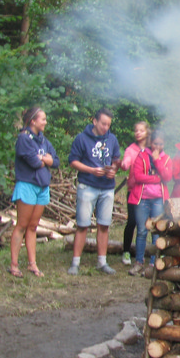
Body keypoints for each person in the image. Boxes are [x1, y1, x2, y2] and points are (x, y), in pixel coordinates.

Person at [67, 108, 121, 275]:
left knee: (104, 225)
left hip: (107, 187)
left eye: (108, 124)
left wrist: (113, 170)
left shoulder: (112, 139)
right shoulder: (81, 138)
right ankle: (75, 263)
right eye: (103, 123)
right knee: (82, 225)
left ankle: (102, 262)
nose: (106, 127)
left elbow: (116, 160)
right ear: (95, 121)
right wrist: (91, 170)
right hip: (88, 186)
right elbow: (73, 161)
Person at [9, 106, 59, 278]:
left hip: (42, 187)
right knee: (22, 225)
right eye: (43, 119)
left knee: (33, 226)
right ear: (33, 121)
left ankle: (32, 264)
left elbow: (56, 161)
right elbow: (33, 162)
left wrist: (44, 159)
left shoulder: (43, 140)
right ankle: (14, 265)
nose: (45, 122)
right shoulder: (24, 138)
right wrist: (46, 160)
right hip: (27, 185)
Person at [128, 132, 172, 277]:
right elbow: (138, 176)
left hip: (158, 199)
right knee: (141, 230)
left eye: (160, 144)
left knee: (156, 231)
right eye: (155, 143)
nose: (157, 147)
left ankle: (153, 263)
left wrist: (157, 160)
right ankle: (139, 262)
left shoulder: (166, 158)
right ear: (150, 143)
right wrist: (156, 179)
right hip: (142, 199)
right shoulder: (142, 156)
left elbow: (167, 177)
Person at [119, 121, 150, 266]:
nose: (138, 133)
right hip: (134, 190)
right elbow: (126, 162)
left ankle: (142, 254)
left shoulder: (151, 148)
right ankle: (126, 251)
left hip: (149, 192)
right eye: (136, 130)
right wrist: (123, 164)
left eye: (141, 130)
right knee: (132, 221)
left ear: (147, 132)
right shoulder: (131, 149)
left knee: (146, 224)